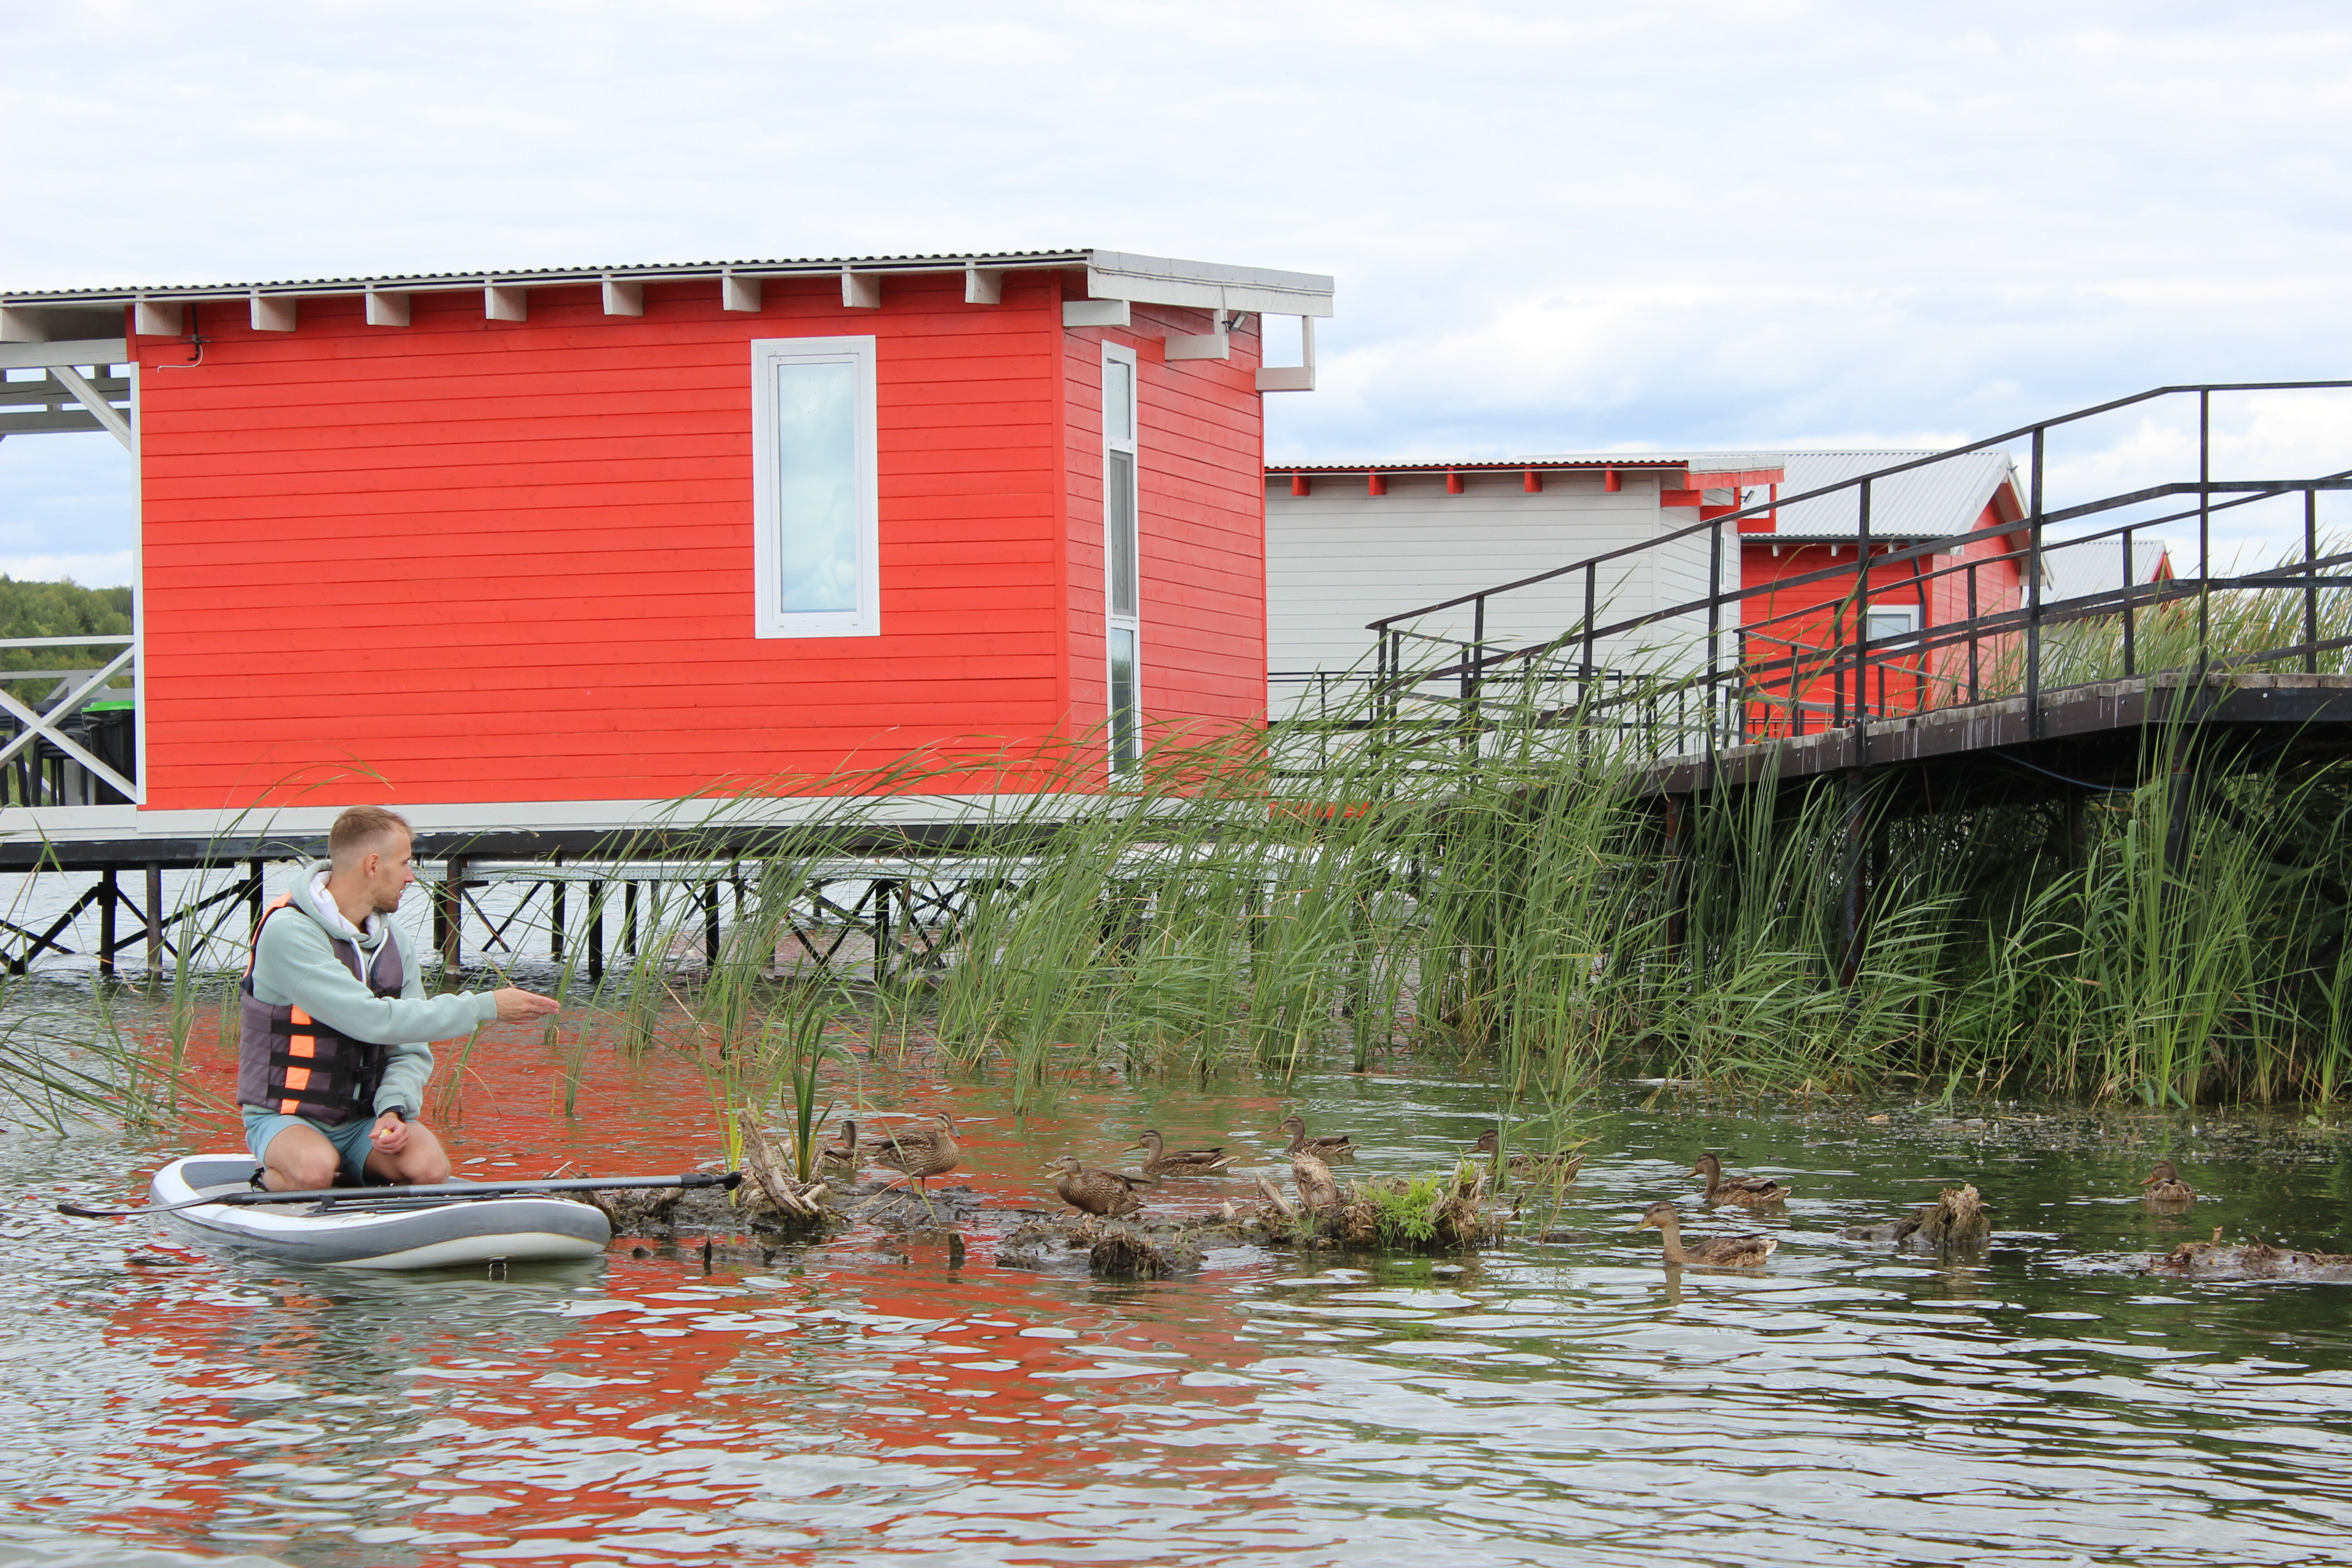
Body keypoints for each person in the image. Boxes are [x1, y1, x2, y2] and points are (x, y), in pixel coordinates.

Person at [240, 804, 559, 1191]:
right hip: (287, 1116)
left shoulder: (395, 942)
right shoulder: (289, 932)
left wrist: (393, 1108)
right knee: (313, 1169)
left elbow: (408, 1046)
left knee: (428, 1168)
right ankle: (275, 1181)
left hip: (361, 1120)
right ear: (373, 865)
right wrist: (486, 1006)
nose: (411, 876)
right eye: (406, 863)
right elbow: (369, 1020)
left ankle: (350, 1176)